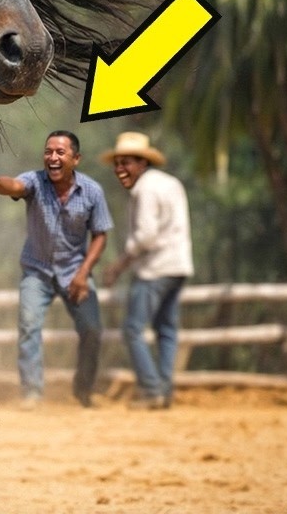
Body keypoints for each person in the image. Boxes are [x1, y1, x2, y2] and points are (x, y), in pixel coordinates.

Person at [0, 130, 113, 409]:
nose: (53, 157)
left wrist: (84, 273)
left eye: (60, 152)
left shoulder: (92, 191)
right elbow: (14, 185)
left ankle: (83, 390)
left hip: (75, 272)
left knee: (92, 330)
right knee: (29, 325)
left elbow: (100, 234)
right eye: (49, 151)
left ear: (76, 158)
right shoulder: (35, 181)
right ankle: (32, 392)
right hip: (37, 270)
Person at [100, 132, 194, 410]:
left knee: (132, 329)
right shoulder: (170, 183)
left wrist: (118, 265)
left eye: (126, 162)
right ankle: (164, 390)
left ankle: (152, 390)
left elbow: (146, 236)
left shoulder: (145, 190)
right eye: (117, 163)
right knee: (166, 329)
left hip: (155, 269)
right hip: (178, 265)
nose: (120, 169)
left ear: (142, 163)